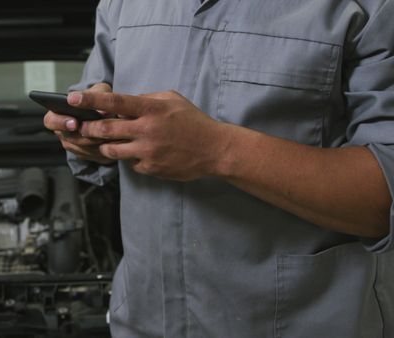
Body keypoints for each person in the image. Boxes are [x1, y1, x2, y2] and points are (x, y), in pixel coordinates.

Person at [43, 0, 394, 337]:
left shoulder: (370, 7)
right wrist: (91, 131)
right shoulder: (122, 4)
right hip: (145, 323)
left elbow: (382, 196)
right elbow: (97, 96)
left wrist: (216, 150)